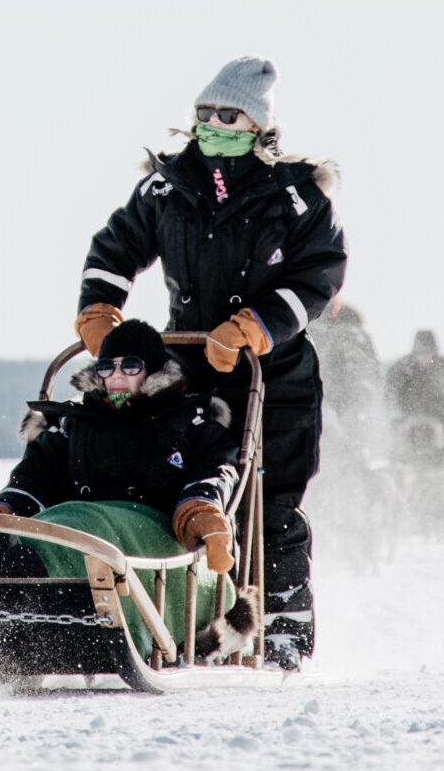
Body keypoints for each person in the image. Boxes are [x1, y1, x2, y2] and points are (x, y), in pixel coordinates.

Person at [72, 57, 346, 667]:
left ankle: (282, 634)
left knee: (268, 505)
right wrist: (99, 308)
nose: (213, 124)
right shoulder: (167, 187)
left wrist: (254, 325)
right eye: (204, 114)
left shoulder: (296, 196)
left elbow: (320, 274)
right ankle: (182, 618)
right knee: (173, 491)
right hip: (189, 372)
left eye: (228, 115)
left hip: (273, 379)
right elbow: (115, 247)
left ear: (257, 127)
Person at [0, 318, 240, 573]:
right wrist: (2, 513)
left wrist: (201, 510)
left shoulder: (191, 420)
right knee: (8, 541)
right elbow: (33, 480)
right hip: (75, 533)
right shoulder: (73, 423)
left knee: (82, 527)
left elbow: (213, 469)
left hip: (154, 544)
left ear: (154, 369)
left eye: (131, 365)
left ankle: (26, 576)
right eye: (107, 366)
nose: (117, 376)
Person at [313, 298, 382, 469]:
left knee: (339, 452)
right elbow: (371, 372)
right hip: (335, 402)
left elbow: (368, 372)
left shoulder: (333, 334)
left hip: (334, 403)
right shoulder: (356, 335)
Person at [385, 330, 444, 456]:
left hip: (439, 423)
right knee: (399, 450)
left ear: (434, 353)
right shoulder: (402, 371)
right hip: (409, 422)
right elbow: (391, 395)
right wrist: (397, 419)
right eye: (420, 353)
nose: (424, 357)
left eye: (427, 353)